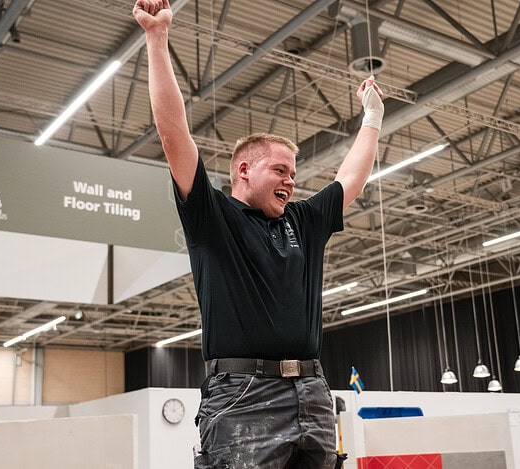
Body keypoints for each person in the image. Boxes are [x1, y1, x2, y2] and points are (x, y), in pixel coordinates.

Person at [133, 0, 384, 466]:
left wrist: (372, 119)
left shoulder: (303, 222)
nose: (292, 180)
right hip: (243, 395)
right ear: (244, 170)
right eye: (281, 170)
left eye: (294, 173)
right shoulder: (214, 218)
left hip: (312, 392)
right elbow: (173, 132)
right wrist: (157, 37)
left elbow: (351, 178)